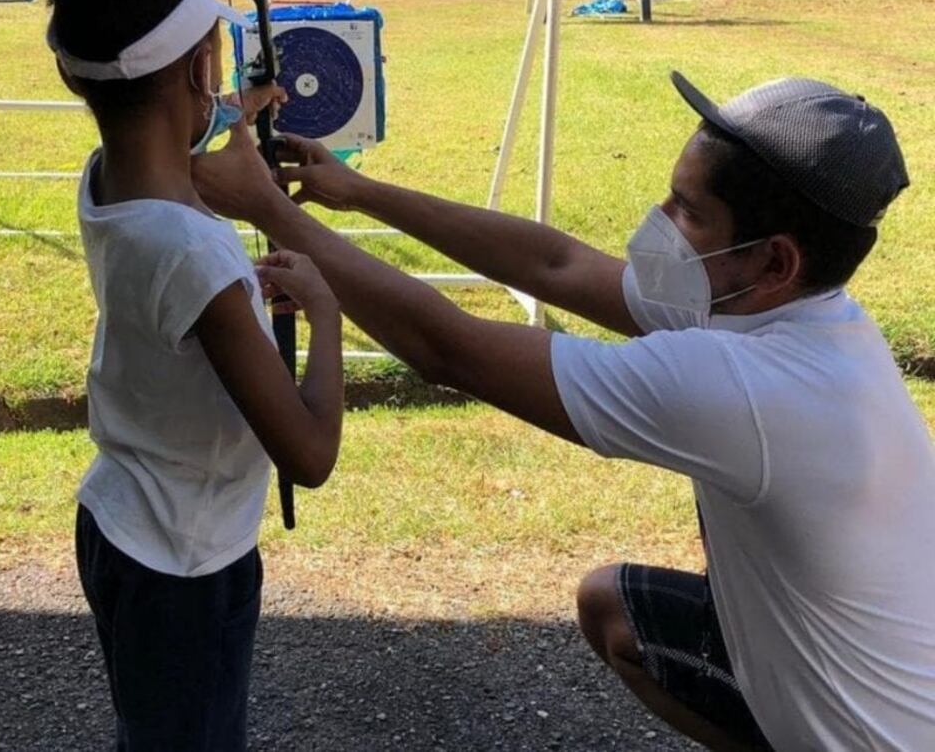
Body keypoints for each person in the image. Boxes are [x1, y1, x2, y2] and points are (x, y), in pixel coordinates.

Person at [194, 70, 935, 751]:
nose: (660, 220)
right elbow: (558, 266)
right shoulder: (790, 312)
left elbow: (449, 349)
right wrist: (359, 192)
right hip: (877, 680)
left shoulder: (747, 385)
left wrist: (266, 208)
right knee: (613, 607)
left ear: (776, 260)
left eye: (689, 211)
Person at [26, 0, 344, 752]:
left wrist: (222, 114)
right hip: (188, 568)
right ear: (200, 65)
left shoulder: (106, 186)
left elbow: (171, 170)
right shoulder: (197, 254)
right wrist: (324, 316)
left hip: (120, 525)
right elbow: (309, 453)